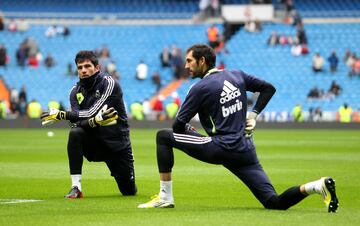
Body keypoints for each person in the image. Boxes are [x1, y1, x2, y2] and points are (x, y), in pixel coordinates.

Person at [138, 44, 338, 212]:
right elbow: (269, 88)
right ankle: (316, 186)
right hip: (244, 149)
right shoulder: (237, 75)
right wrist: (254, 113)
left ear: (202, 61)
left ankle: (165, 197)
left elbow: (177, 126)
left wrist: (193, 132)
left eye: (190, 61)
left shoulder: (199, 88)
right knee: (273, 202)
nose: (186, 66)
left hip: (220, 147)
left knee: (163, 136)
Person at [40, 50, 137, 198]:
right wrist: (95, 121)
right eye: (80, 68)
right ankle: (76, 187)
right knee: (75, 133)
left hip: (117, 145)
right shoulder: (74, 92)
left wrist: (62, 114)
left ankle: (127, 177)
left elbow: (92, 111)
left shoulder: (109, 84)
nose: (83, 70)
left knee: (129, 192)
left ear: (97, 68)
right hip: (94, 143)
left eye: (87, 66)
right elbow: (76, 124)